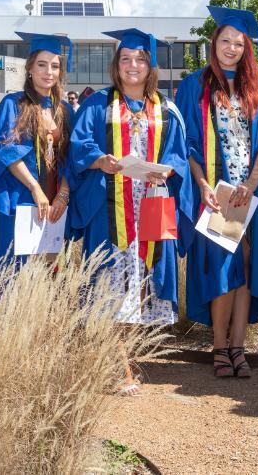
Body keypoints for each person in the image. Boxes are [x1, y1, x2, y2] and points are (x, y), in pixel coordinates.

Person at [70, 28, 193, 395]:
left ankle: (124, 358)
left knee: (143, 284)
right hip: (110, 211)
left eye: (140, 59)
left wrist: (169, 169)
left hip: (152, 206)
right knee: (110, 284)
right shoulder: (97, 105)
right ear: (116, 65)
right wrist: (99, 160)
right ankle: (117, 366)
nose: (133, 65)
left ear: (150, 64)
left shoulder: (166, 108)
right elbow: (80, 143)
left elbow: (178, 152)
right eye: (126, 59)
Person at [175, 6, 258, 378]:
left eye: (239, 43)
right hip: (218, 195)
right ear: (213, 43)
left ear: (246, 48)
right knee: (223, 269)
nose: (232, 48)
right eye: (225, 41)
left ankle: (239, 347)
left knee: (248, 266)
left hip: (251, 194)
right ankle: (220, 347)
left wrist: (252, 185)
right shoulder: (195, 85)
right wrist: (203, 185)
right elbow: (187, 142)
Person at [0, 32, 73, 265]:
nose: (49, 72)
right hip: (21, 198)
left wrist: (63, 196)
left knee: (49, 271)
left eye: (55, 66)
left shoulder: (64, 110)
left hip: (54, 202)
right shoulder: (13, 104)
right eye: (42, 64)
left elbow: (71, 157)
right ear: (30, 69)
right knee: (16, 270)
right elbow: (5, 150)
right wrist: (35, 189)